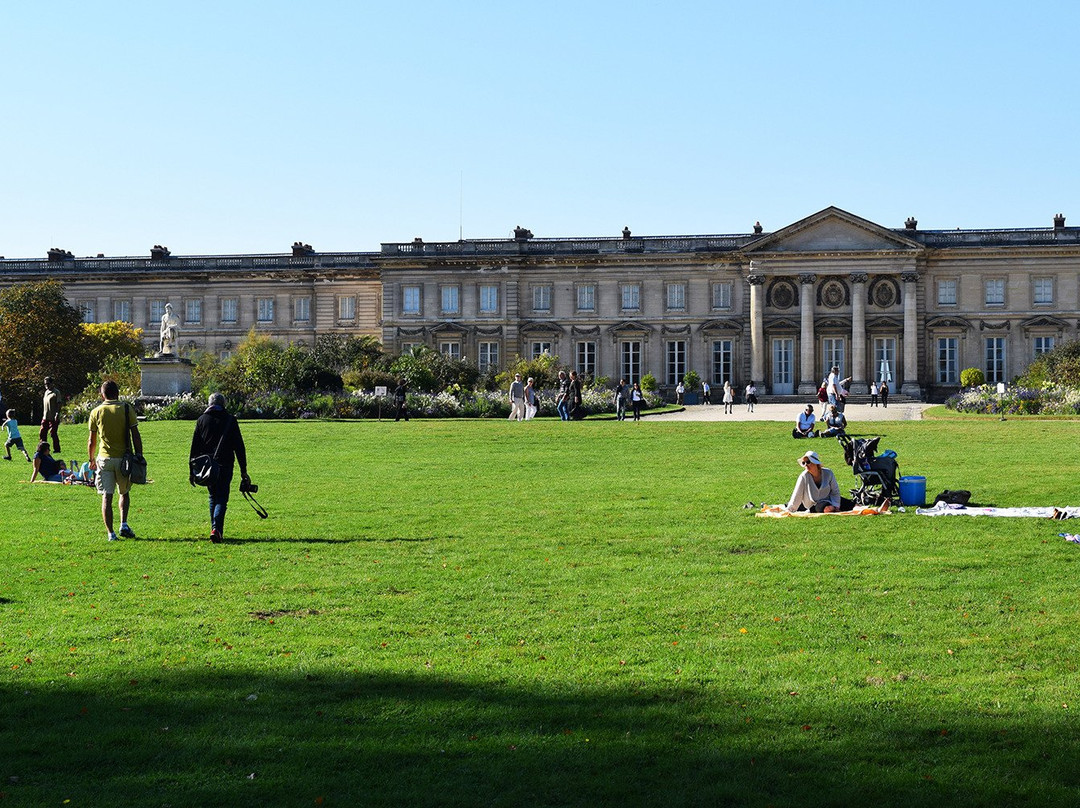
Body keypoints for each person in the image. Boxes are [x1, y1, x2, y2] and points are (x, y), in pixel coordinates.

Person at [189, 393, 249, 544]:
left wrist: (192, 470)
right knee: (222, 498)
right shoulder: (230, 420)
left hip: (207, 466)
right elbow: (239, 447)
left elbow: (194, 447)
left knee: (212, 497)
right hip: (225, 464)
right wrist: (244, 470)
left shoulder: (202, 420)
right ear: (224, 404)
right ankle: (216, 529)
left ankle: (215, 529)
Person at [87, 380, 142, 541]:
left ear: (102, 394)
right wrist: (139, 454)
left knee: (107, 496)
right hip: (124, 458)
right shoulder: (126, 408)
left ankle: (111, 533)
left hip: (104, 458)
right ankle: (123, 524)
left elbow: (92, 441)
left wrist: (91, 458)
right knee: (124, 492)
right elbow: (135, 434)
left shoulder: (96, 411)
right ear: (117, 392)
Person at [40, 376, 62, 454]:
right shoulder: (46, 392)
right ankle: (43, 449)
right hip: (45, 416)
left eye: (48, 384)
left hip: (53, 416)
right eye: (45, 384)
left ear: (52, 383)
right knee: (42, 432)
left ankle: (57, 449)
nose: (46, 386)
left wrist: (57, 414)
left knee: (53, 433)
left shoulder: (56, 392)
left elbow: (59, 403)